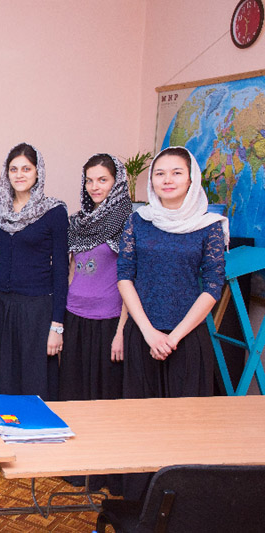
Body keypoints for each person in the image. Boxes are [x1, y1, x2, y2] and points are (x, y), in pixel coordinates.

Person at [117, 146, 227, 500]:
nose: (167, 180)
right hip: (143, 335)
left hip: (188, 339)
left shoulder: (209, 226)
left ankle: (183, 504)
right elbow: (124, 276)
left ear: (191, 178)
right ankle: (139, 500)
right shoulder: (138, 221)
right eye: (160, 173)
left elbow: (213, 286)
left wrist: (174, 337)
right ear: (151, 180)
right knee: (142, 423)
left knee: (186, 425)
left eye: (176, 172)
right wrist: (149, 332)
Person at [59, 153, 132, 494]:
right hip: (75, 317)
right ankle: (77, 468)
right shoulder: (78, 222)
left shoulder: (128, 222)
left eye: (103, 179)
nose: (95, 186)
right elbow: (72, 269)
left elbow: (132, 279)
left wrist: (121, 332)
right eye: (89, 180)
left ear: (116, 182)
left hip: (109, 321)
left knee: (105, 399)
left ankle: (104, 471)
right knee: (75, 396)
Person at [0, 142, 68, 401]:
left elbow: (61, 270)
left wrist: (57, 326)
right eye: (13, 169)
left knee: (35, 382)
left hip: (37, 310)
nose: (19, 175)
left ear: (37, 172)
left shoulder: (54, 212)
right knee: (2, 380)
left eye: (26, 168)